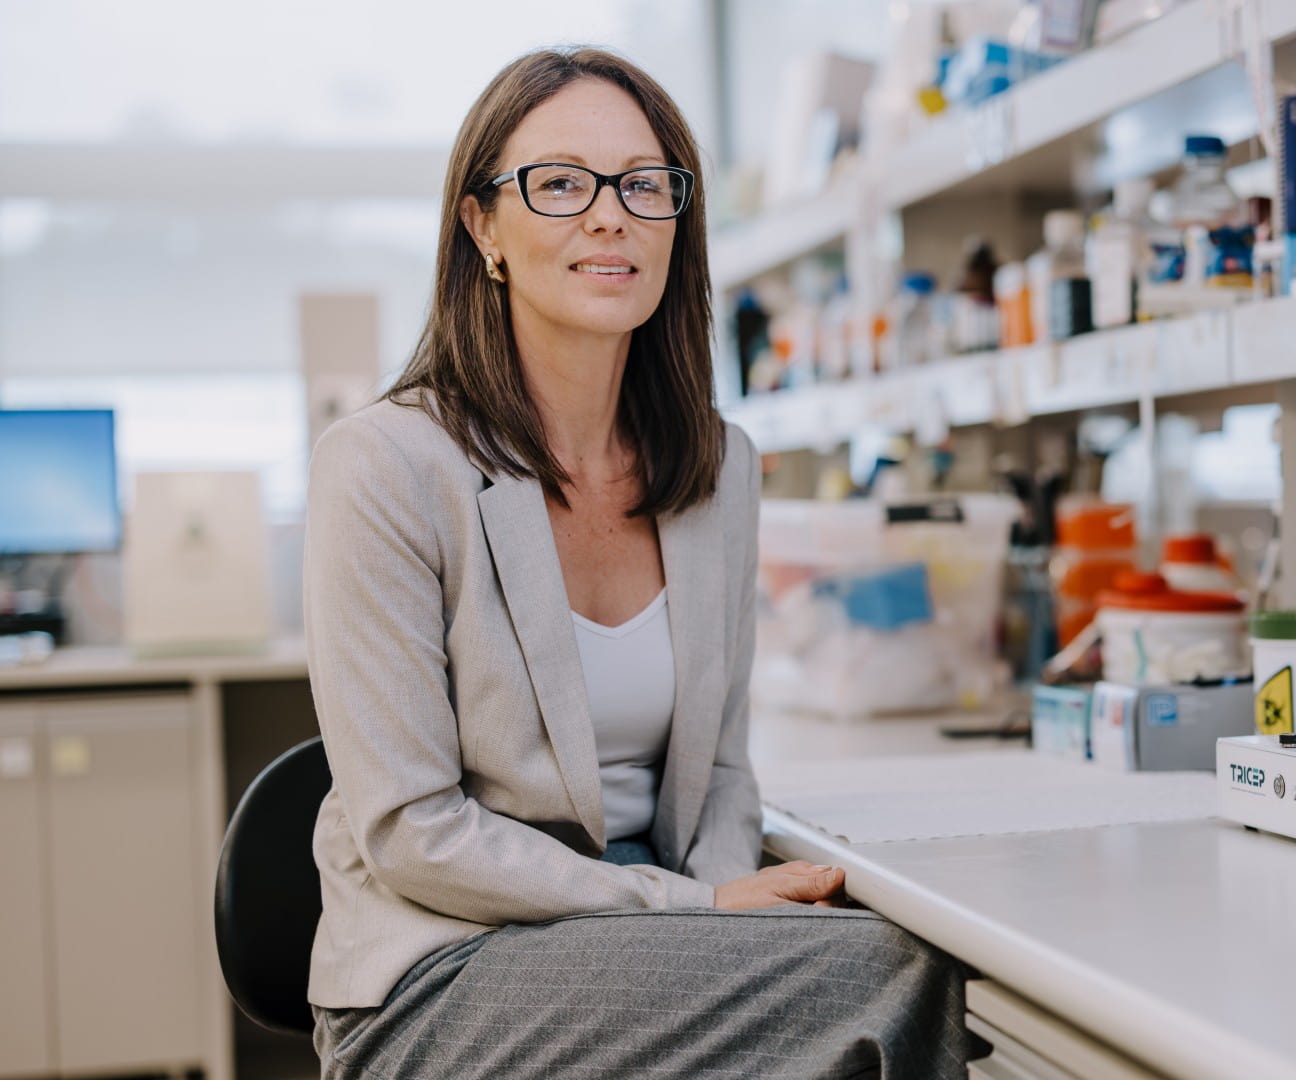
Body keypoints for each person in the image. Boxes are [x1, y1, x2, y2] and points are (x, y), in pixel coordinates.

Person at [302, 48, 974, 1078]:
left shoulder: (716, 465)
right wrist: (695, 907)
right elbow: (412, 832)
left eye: (644, 185)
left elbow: (720, 774)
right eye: (561, 183)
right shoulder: (387, 466)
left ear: (677, 223)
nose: (610, 216)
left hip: (652, 945)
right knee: (886, 972)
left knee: (884, 961)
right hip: (442, 968)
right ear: (483, 227)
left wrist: (717, 913)